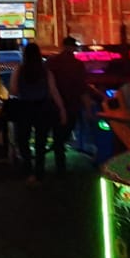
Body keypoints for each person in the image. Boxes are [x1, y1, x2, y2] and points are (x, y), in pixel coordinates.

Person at [9, 43, 66, 184]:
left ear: (25, 55)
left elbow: (14, 90)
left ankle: (28, 169)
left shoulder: (19, 69)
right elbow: (54, 91)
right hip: (43, 108)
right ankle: (39, 173)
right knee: (41, 142)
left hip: (24, 108)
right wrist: (62, 109)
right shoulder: (46, 71)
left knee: (23, 140)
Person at [46, 37, 90, 175]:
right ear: (74, 47)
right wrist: (88, 107)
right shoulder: (78, 65)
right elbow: (82, 88)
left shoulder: (51, 62)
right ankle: (61, 165)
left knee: (57, 134)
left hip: (54, 104)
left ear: (62, 45)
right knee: (64, 134)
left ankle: (60, 166)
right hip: (72, 105)